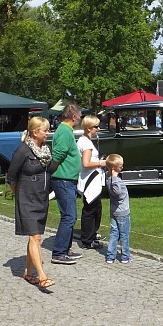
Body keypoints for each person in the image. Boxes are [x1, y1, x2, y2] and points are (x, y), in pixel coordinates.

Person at [7, 116, 55, 289]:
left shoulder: (45, 150)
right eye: (45, 130)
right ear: (35, 132)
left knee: (35, 236)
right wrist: (19, 195)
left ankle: (27, 272)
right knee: (35, 237)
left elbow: (49, 170)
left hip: (41, 198)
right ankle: (42, 276)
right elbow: (11, 177)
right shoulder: (23, 150)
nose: (48, 133)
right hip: (27, 198)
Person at [49, 104, 83, 265]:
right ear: (74, 117)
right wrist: (52, 171)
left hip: (68, 179)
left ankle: (65, 249)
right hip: (63, 179)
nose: (81, 119)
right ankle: (59, 252)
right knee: (69, 216)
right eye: (80, 116)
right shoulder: (64, 131)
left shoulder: (66, 131)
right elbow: (58, 154)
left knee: (70, 215)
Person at [77, 115, 105, 250]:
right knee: (90, 210)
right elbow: (86, 163)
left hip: (92, 179)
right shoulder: (86, 143)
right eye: (96, 127)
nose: (98, 129)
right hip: (90, 181)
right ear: (88, 128)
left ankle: (92, 234)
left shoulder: (85, 141)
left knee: (96, 208)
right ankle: (87, 240)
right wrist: (101, 163)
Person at [105, 154, 131, 264]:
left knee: (114, 233)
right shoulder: (115, 181)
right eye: (120, 167)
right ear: (113, 168)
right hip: (122, 212)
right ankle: (125, 256)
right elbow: (117, 192)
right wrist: (115, 178)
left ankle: (110, 256)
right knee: (124, 234)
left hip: (114, 211)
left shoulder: (108, 178)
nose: (122, 168)